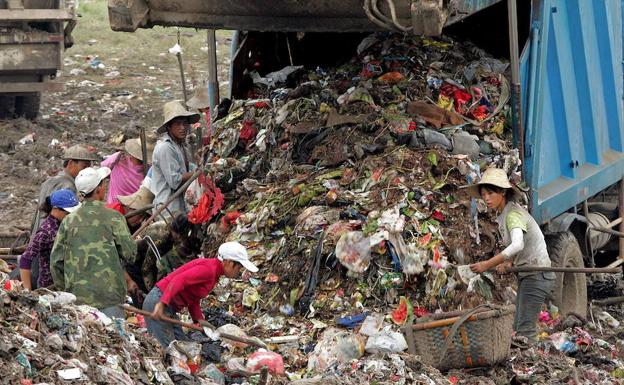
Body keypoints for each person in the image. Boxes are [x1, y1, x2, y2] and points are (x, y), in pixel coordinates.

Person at [465, 168, 555, 344]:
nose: (487, 199)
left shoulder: (513, 214)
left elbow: (517, 244)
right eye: (483, 195)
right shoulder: (504, 213)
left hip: (537, 274)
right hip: (528, 273)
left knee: (525, 330)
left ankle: (530, 366)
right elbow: (520, 246)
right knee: (519, 325)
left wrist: (487, 264)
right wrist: (509, 263)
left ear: (503, 192)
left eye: (491, 193)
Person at [50, 166, 138, 319]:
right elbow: (130, 254)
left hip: (78, 298)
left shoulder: (68, 221)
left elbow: (56, 261)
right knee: (115, 339)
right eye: (103, 184)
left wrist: (65, 290)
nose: (105, 187)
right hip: (109, 295)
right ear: (98, 190)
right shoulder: (114, 217)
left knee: (88, 339)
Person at [142, 241, 258, 347]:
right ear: (228, 262)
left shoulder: (214, 273)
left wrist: (199, 320)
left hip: (168, 308)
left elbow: (193, 297)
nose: (239, 271)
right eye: (238, 267)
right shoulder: (208, 270)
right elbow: (179, 280)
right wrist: (162, 303)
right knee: (168, 350)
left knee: (185, 346)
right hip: (158, 303)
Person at [19, 189, 81, 290]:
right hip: (49, 287)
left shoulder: (66, 224)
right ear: (56, 209)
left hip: (67, 282)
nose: (71, 216)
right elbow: (25, 259)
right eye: (68, 212)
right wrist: (27, 290)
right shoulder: (46, 231)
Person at [31, 144, 97, 237]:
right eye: (84, 167)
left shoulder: (48, 181)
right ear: (70, 164)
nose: (86, 171)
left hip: (38, 234)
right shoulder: (68, 187)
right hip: (51, 239)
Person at [152, 101, 200, 215]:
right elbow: (175, 181)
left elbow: (187, 168)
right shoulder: (165, 148)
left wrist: (200, 165)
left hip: (180, 207)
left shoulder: (180, 145)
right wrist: (197, 172)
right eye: (178, 124)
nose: (182, 128)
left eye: (185, 123)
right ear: (169, 126)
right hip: (168, 209)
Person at [136, 212, 201, 292]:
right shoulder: (162, 237)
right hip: (137, 256)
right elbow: (146, 268)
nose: (180, 239)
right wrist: (152, 292)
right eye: (178, 236)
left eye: (182, 236)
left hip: (155, 252)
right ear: (173, 230)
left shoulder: (179, 225)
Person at [101, 137, 154, 205]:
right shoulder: (150, 170)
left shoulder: (118, 158)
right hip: (134, 208)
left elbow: (103, 170)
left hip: (117, 206)